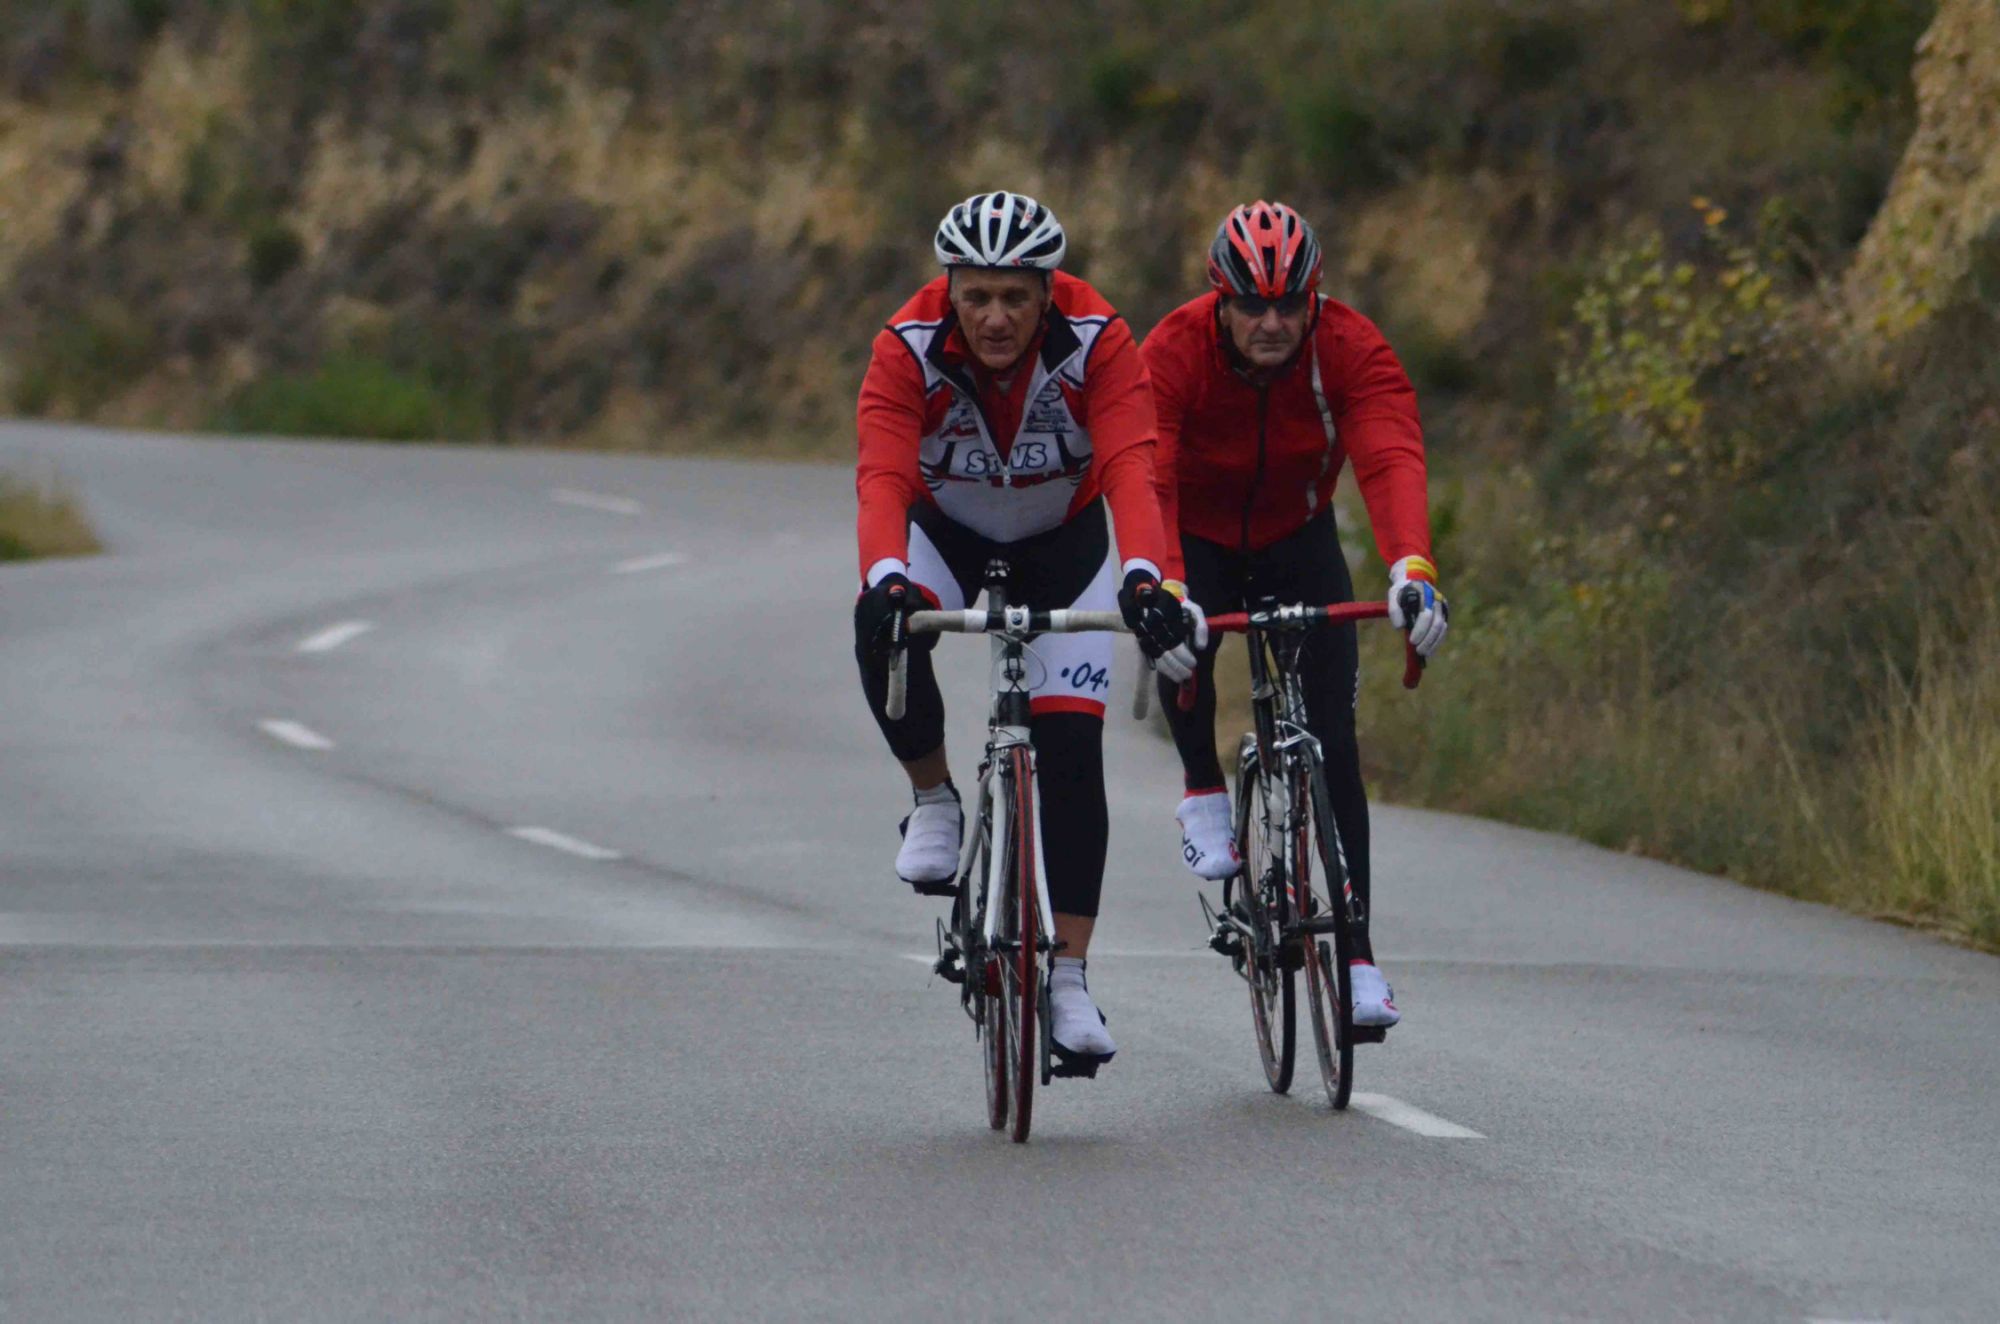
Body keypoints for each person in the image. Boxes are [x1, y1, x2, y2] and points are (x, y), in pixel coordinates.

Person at [853, 191, 1200, 1072]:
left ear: (1049, 292)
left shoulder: (1098, 339)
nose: (996, 317)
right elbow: (883, 475)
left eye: (1015, 296)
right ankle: (934, 799)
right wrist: (887, 575)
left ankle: (1070, 980)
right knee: (880, 624)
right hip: (948, 534)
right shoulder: (907, 346)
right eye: (976, 296)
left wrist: (1145, 575)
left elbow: (1130, 464)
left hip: (1062, 544)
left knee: (1073, 753)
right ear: (949, 291)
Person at [1141, 200, 1451, 1029]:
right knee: (1181, 642)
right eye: (1253, 305)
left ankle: (1357, 958)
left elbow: (1389, 456)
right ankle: (1203, 787)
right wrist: (1167, 586)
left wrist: (1412, 568)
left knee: (1335, 746)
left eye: (1290, 305)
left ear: (1314, 298)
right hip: (1196, 536)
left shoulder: (1350, 346)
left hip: (1295, 534)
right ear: (1221, 299)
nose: (1272, 323)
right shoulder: (1172, 350)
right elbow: (1149, 475)